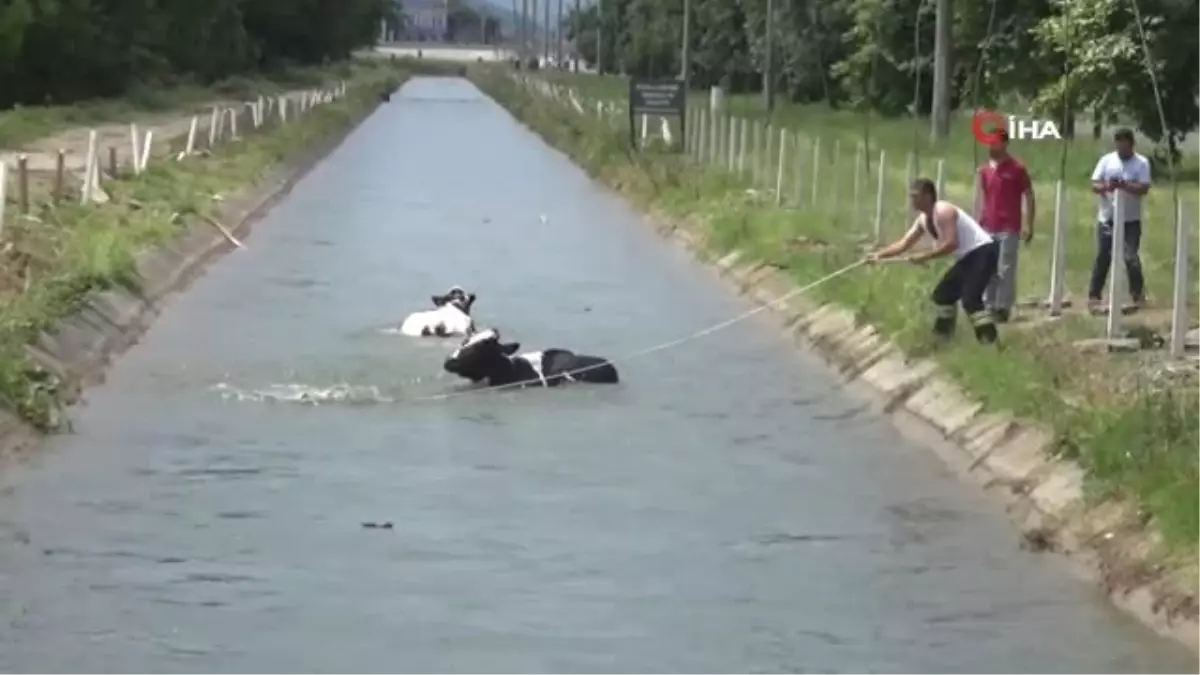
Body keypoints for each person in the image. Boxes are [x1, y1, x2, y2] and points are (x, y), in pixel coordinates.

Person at [867, 178, 1000, 344]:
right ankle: (943, 336)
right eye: (911, 196)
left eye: (916, 196)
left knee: (970, 299)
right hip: (967, 257)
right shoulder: (923, 220)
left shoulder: (944, 211)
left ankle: (989, 340)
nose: (912, 200)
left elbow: (951, 244)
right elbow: (904, 244)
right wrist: (879, 255)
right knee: (942, 295)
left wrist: (925, 256)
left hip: (983, 252)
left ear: (928, 196)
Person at [1088, 128, 1151, 312]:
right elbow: (1095, 184)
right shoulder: (1107, 160)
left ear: (1132, 145)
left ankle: (1137, 294)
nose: (1121, 150)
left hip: (1131, 219)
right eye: (1118, 146)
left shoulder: (1141, 163)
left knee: (1131, 257)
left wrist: (1125, 185)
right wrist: (1108, 186)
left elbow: (1144, 188)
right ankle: (1094, 294)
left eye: (1125, 146)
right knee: (1103, 256)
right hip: (1107, 217)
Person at [975, 129, 1034, 323]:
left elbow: (1028, 194)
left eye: (995, 143)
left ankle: (1003, 306)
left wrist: (1029, 223)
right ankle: (989, 303)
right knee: (987, 266)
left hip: (1009, 225)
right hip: (987, 225)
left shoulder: (1017, 168)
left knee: (1006, 267)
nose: (990, 146)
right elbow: (983, 197)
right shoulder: (984, 170)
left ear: (1004, 144)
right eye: (988, 142)